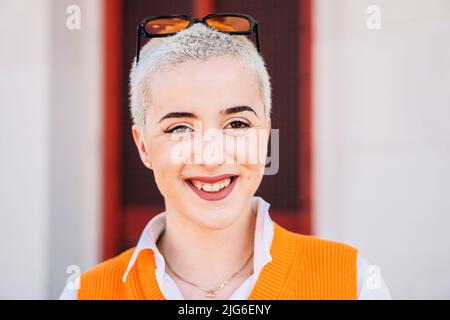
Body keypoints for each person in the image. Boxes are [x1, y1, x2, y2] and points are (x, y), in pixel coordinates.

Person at [60, 20, 391, 300]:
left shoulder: (353, 283)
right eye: (180, 128)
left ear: (265, 135)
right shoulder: (85, 292)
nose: (211, 154)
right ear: (143, 146)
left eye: (237, 124)